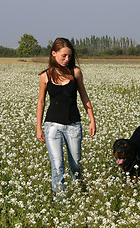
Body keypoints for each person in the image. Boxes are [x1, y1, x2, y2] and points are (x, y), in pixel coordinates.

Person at [36, 38, 96, 198]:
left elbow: (84, 96)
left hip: (73, 125)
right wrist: (38, 127)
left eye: (69, 56)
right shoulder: (45, 76)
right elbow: (41, 102)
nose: (67, 59)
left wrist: (92, 119)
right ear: (54, 54)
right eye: (63, 56)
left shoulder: (75, 72)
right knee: (57, 165)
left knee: (76, 164)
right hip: (52, 126)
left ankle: (79, 194)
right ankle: (60, 202)